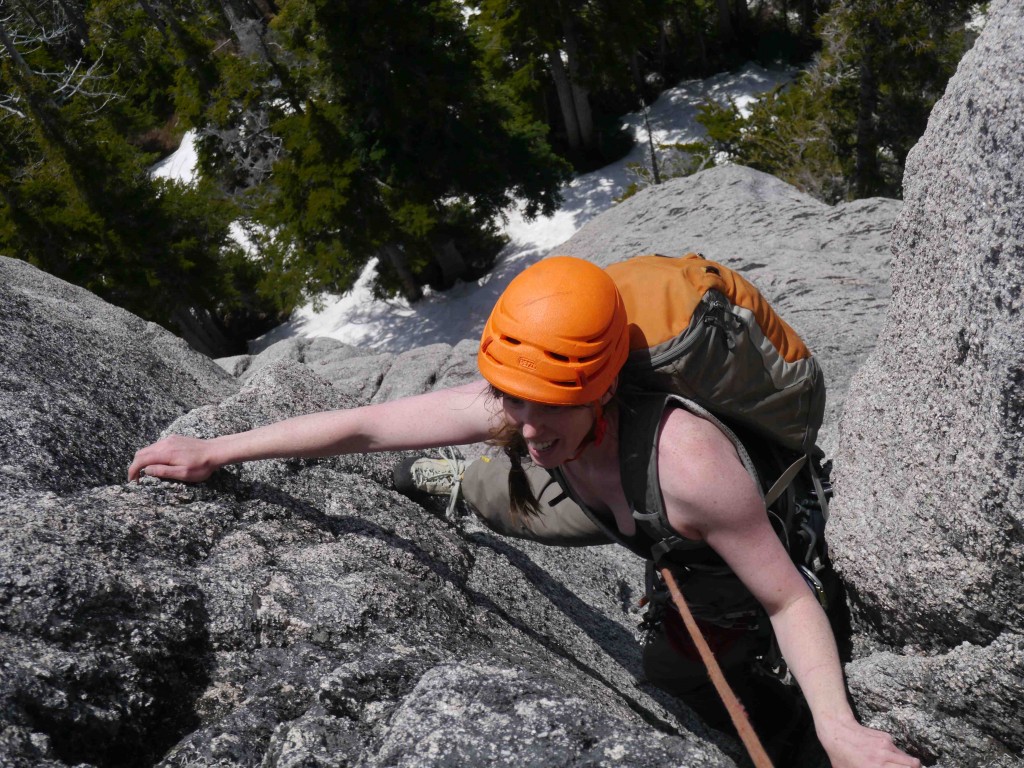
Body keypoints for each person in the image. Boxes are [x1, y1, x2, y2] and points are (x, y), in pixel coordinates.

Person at [129, 256, 920, 768]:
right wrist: (218, 450)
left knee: (676, 674)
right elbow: (367, 426)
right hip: (592, 496)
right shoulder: (526, 402)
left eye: (552, 409)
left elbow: (784, 596)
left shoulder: (691, 469)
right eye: (514, 403)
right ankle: (457, 483)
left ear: (603, 388)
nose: (528, 426)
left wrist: (835, 725)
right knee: (495, 490)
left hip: (687, 540)